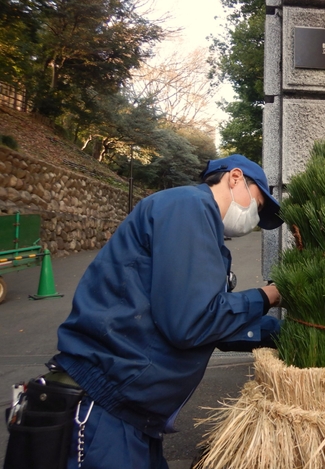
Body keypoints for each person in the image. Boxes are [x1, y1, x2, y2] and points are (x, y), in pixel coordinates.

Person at [32, 155, 281, 469]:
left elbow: (207, 323)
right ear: (234, 178)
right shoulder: (188, 207)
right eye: (257, 205)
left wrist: (280, 333)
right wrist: (269, 295)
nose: (255, 217)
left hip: (134, 416)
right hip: (105, 408)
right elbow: (191, 323)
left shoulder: (202, 229)